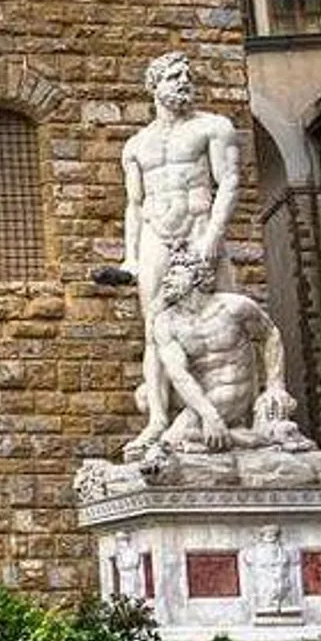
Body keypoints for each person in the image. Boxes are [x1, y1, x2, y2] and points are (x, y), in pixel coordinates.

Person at [99, 52, 241, 458]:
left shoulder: (214, 127)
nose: (184, 82)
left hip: (198, 226)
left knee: (218, 313)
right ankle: (158, 420)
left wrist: (214, 235)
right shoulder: (136, 145)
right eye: (174, 76)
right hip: (155, 235)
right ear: (154, 86)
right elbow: (133, 204)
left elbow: (228, 183)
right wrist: (130, 257)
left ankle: (230, 409)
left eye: (188, 76)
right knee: (155, 329)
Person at [149, 249, 309, 453]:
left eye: (174, 273)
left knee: (173, 440)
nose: (166, 280)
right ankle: (254, 440)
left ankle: (238, 438)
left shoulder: (234, 307)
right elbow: (178, 375)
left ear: (197, 276)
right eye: (166, 275)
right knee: (147, 400)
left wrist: (275, 385)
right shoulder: (166, 322)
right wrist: (210, 417)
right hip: (201, 394)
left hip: (233, 388)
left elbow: (270, 335)